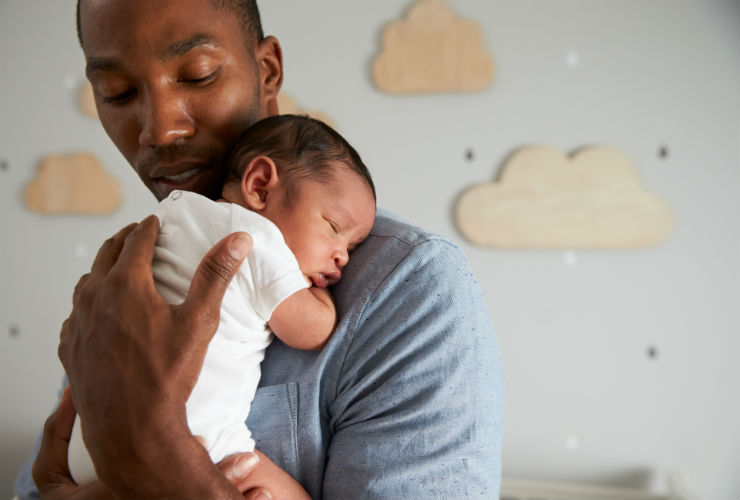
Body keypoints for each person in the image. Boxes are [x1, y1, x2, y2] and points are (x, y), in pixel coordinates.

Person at [14, 0, 505, 499]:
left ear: (266, 71)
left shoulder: (408, 289)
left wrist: (160, 455)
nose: (160, 130)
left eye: (198, 75)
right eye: (117, 93)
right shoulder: (128, 274)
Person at [66, 114, 376, 494]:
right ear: (260, 186)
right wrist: (317, 292)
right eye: (333, 227)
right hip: (197, 441)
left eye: (352, 248)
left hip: (88, 447)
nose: (342, 256)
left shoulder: (172, 215)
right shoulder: (256, 238)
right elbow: (312, 330)